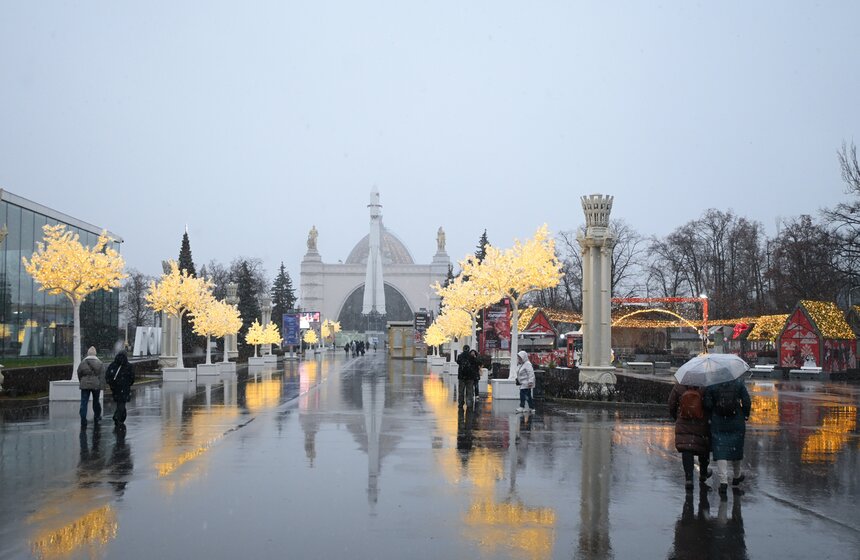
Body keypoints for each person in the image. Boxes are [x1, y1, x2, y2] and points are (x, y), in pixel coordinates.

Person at [704, 377, 751, 497]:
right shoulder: (738, 383)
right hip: (736, 420)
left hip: (718, 421)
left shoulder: (712, 384)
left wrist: (713, 412)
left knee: (720, 450)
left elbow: (707, 404)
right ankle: (736, 475)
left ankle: (723, 481)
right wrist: (745, 414)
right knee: (736, 448)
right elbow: (746, 400)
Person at [668, 382, 712, 491]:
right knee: (703, 447)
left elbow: (671, 403)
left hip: (684, 422)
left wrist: (677, 417)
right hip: (701, 423)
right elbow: (709, 405)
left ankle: (689, 478)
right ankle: (703, 473)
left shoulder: (679, 385)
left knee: (687, 449)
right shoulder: (705, 385)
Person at [106, 351, 135, 427]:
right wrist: (128, 384)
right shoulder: (128, 366)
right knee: (122, 403)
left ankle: (121, 418)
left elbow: (107, 375)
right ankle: (117, 417)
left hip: (115, 387)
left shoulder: (113, 365)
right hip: (124, 387)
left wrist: (111, 384)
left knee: (120, 403)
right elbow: (132, 377)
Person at [77, 346, 105, 425]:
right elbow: (102, 375)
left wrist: (81, 381)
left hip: (84, 384)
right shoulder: (99, 363)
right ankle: (97, 415)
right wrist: (101, 386)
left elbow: (79, 373)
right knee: (96, 401)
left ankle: (83, 418)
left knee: (84, 402)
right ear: (95, 353)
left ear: (88, 353)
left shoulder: (83, 363)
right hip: (96, 384)